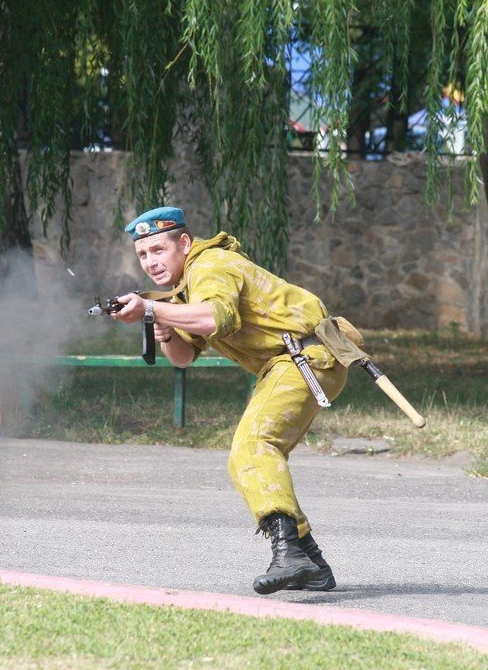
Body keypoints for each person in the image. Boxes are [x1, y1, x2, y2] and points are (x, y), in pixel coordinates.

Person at [111, 206, 346, 594]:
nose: (150, 262)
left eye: (158, 250)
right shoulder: (188, 284)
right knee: (249, 460)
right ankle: (310, 561)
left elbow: (213, 319)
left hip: (305, 357)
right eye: (142, 255)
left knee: (253, 446)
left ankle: (290, 555)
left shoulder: (211, 266)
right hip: (287, 364)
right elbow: (185, 358)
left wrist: (151, 308)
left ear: (184, 243)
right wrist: (166, 330)